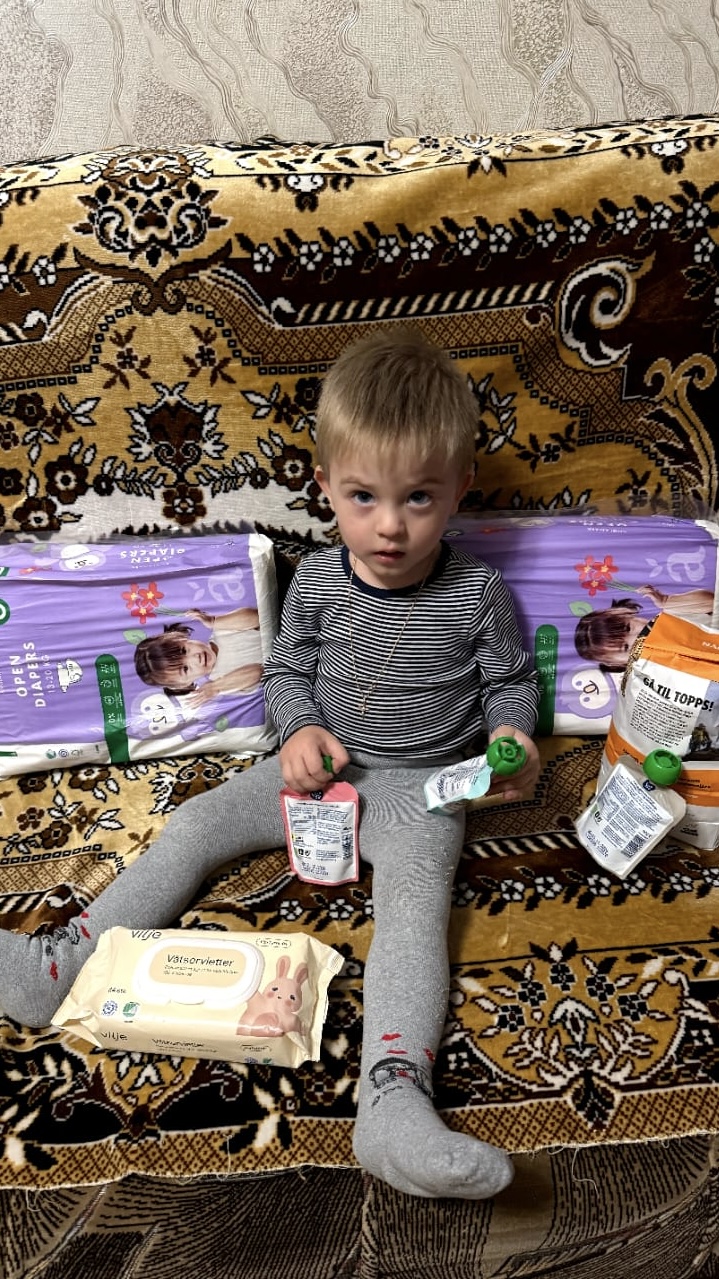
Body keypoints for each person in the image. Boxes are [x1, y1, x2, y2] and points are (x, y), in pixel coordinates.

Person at [0, 327, 540, 1201]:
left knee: (414, 911)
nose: (390, 525)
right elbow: (287, 673)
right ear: (324, 486)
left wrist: (512, 736)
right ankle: (55, 966)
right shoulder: (318, 581)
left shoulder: (477, 592)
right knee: (196, 825)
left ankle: (392, 1098)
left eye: (418, 497)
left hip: (421, 789)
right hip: (318, 771)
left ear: (459, 487)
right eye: (363, 496)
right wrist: (297, 731)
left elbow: (510, 681)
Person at [133, 607, 263, 709]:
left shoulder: (221, 630)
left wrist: (214, 622)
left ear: (180, 637)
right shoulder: (221, 682)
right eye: (185, 668)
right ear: (184, 684)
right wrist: (216, 687)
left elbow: (258, 618)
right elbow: (258, 672)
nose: (196, 657)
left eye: (184, 650)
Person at [574, 586, 715, 671]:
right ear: (617, 664)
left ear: (627, 613)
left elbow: (712, 603)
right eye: (625, 647)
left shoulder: (671, 617)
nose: (636, 637)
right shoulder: (641, 679)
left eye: (628, 628)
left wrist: (668, 601)